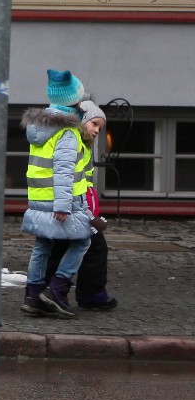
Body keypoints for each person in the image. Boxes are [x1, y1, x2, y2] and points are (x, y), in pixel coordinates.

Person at [21, 70, 94, 318]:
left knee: (42, 245)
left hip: (39, 196)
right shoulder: (67, 131)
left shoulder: (40, 127)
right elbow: (63, 169)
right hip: (62, 199)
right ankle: (56, 291)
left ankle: (33, 295)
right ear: (74, 101)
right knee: (83, 240)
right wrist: (62, 206)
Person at [74, 98, 117, 312]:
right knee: (94, 248)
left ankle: (44, 293)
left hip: (80, 209)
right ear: (83, 122)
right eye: (94, 124)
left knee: (75, 250)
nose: (98, 130)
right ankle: (91, 295)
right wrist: (88, 215)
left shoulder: (85, 147)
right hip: (74, 210)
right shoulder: (76, 146)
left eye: (100, 127)